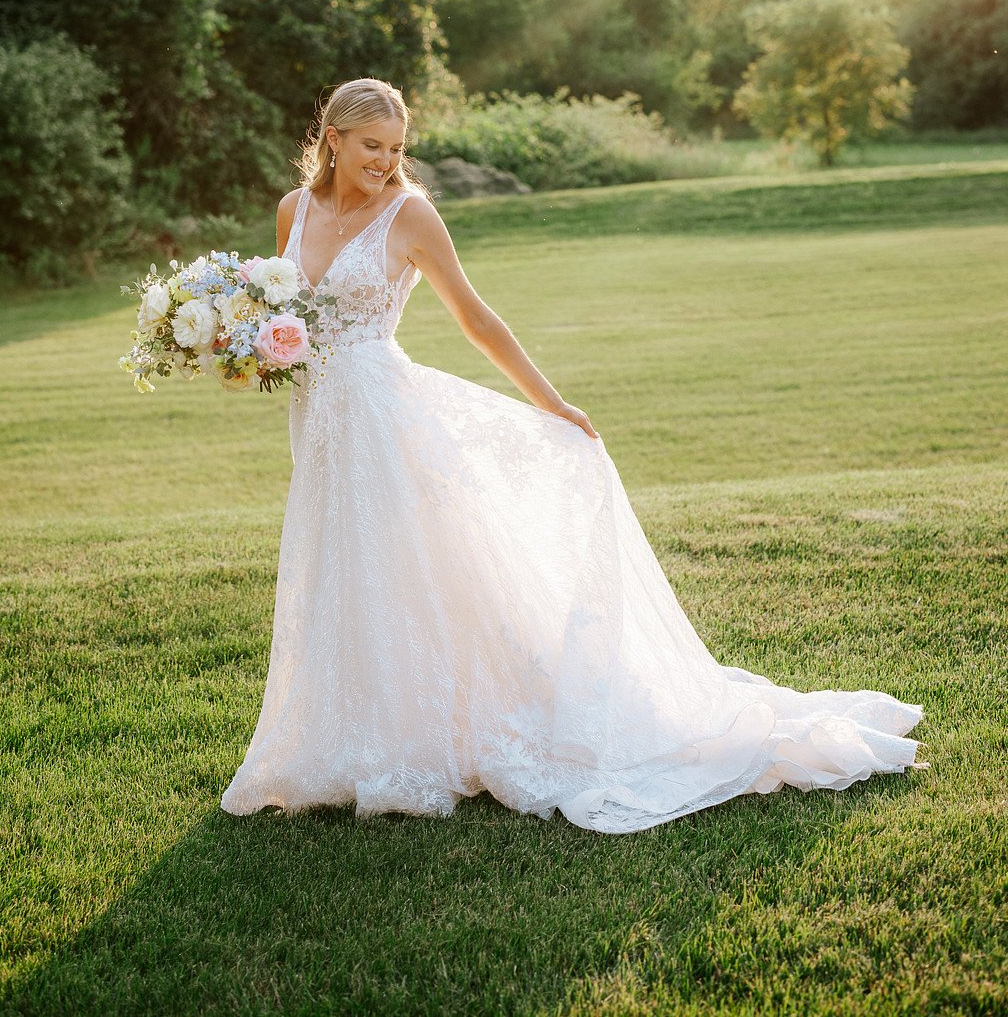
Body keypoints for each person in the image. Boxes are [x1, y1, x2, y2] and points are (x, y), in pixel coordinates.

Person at [220, 77, 927, 832]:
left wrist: (549, 400)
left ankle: (429, 735)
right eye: (371, 147)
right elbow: (287, 314)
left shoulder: (411, 213)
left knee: (412, 566)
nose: (385, 161)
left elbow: (475, 317)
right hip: (321, 419)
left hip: (386, 417)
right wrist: (252, 351)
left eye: (397, 148)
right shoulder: (292, 211)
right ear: (332, 138)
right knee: (340, 566)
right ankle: (346, 738)